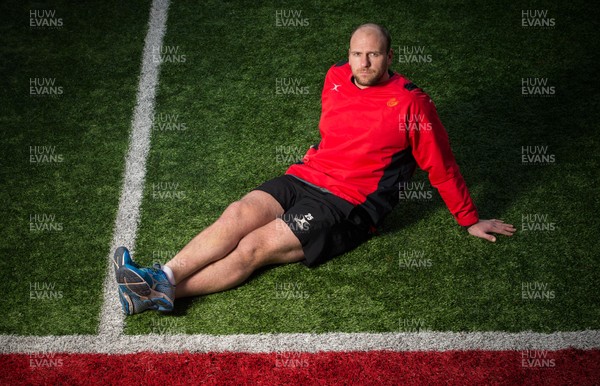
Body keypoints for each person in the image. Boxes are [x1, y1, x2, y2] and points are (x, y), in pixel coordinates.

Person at [114, 23, 516, 315]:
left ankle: (155, 294)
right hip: (306, 176)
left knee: (254, 247)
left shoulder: (413, 104)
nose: (364, 61)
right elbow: (336, 132)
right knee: (238, 214)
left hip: (348, 204)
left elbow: (441, 166)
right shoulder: (336, 78)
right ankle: (161, 274)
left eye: (374, 54)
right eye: (357, 53)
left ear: (390, 57)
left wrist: (469, 219)